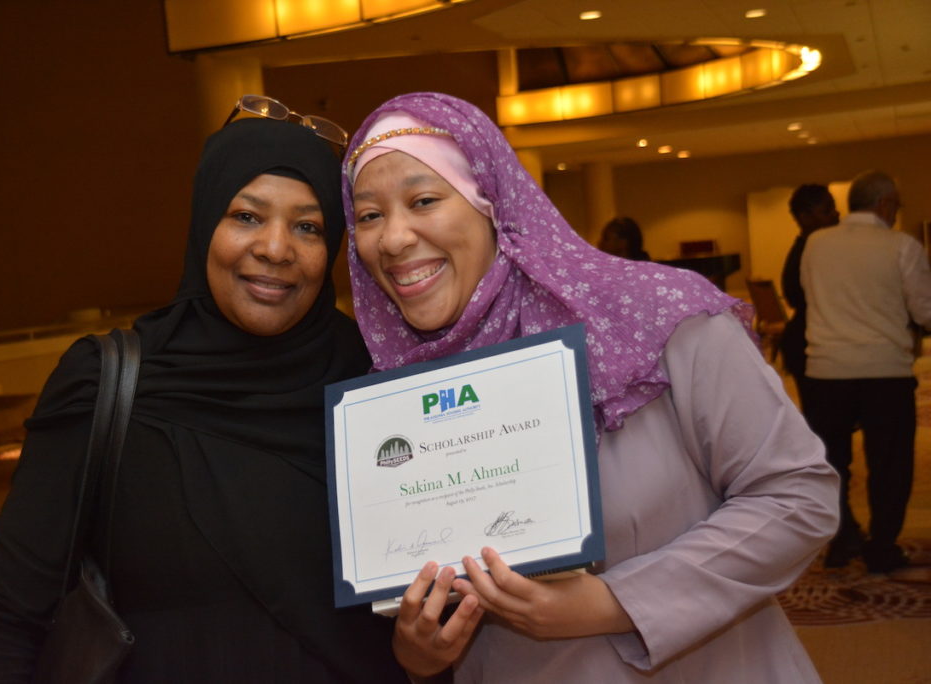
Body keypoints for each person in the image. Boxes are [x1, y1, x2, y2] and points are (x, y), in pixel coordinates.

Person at [343, 92, 839, 682]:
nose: (393, 239)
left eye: (423, 200)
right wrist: (420, 650)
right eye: (369, 215)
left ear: (491, 203)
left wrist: (614, 603)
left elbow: (797, 497)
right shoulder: (394, 395)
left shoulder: (657, 317)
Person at [0, 113, 407, 682]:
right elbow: (8, 613)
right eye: (246, 216)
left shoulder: (376, 382)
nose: (274, 248)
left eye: (308, 227)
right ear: (203, 225)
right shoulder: (107, 382)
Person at [801, 170, 931, 572]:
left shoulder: (815, 244)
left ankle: (843, 538)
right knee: (889, 462)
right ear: (884, 204)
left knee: (832, 463)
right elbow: (925, 310)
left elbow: (809, 297)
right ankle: (881, 546)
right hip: (884, 372)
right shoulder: (901, 246)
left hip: (825, 371)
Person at [780, 184, 839, 391]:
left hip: (817, 343)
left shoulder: (819, 247)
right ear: (804, 218)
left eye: (834, 207)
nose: (836, 214)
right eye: (827, 211)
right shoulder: (806, 253)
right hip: (808, 347)